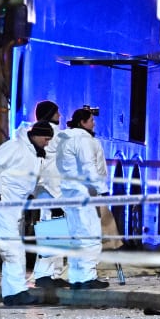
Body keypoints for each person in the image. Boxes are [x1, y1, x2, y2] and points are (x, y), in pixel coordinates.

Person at [0, 120, 54, 306]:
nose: (47, 143)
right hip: (4, 203)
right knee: (12, 249)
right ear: (36, 136)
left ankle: (13, 292)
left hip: (15, 206)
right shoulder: (13, 147)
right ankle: (16, 292)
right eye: (46, 138)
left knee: (13, 248)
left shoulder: (34, 153)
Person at [55, 107, 110, 289]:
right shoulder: (83, 140)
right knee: (90, 235)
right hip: (86, 193)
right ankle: (86, 277)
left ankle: (77, 277)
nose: (94, 123)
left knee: (77, 236)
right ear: (82, 122)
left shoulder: (65, 139)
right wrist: (102, 190)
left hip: (69, 192)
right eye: (91, 120)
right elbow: (89, 167)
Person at [28, 100, 69, 289]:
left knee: (51, 230)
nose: (60, 116)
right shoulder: (56, 135)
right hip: (54, 190)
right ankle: (47, 274)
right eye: (57, 112)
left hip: (44, 190)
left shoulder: (36, 133)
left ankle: (48, 274)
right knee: (54, 231)